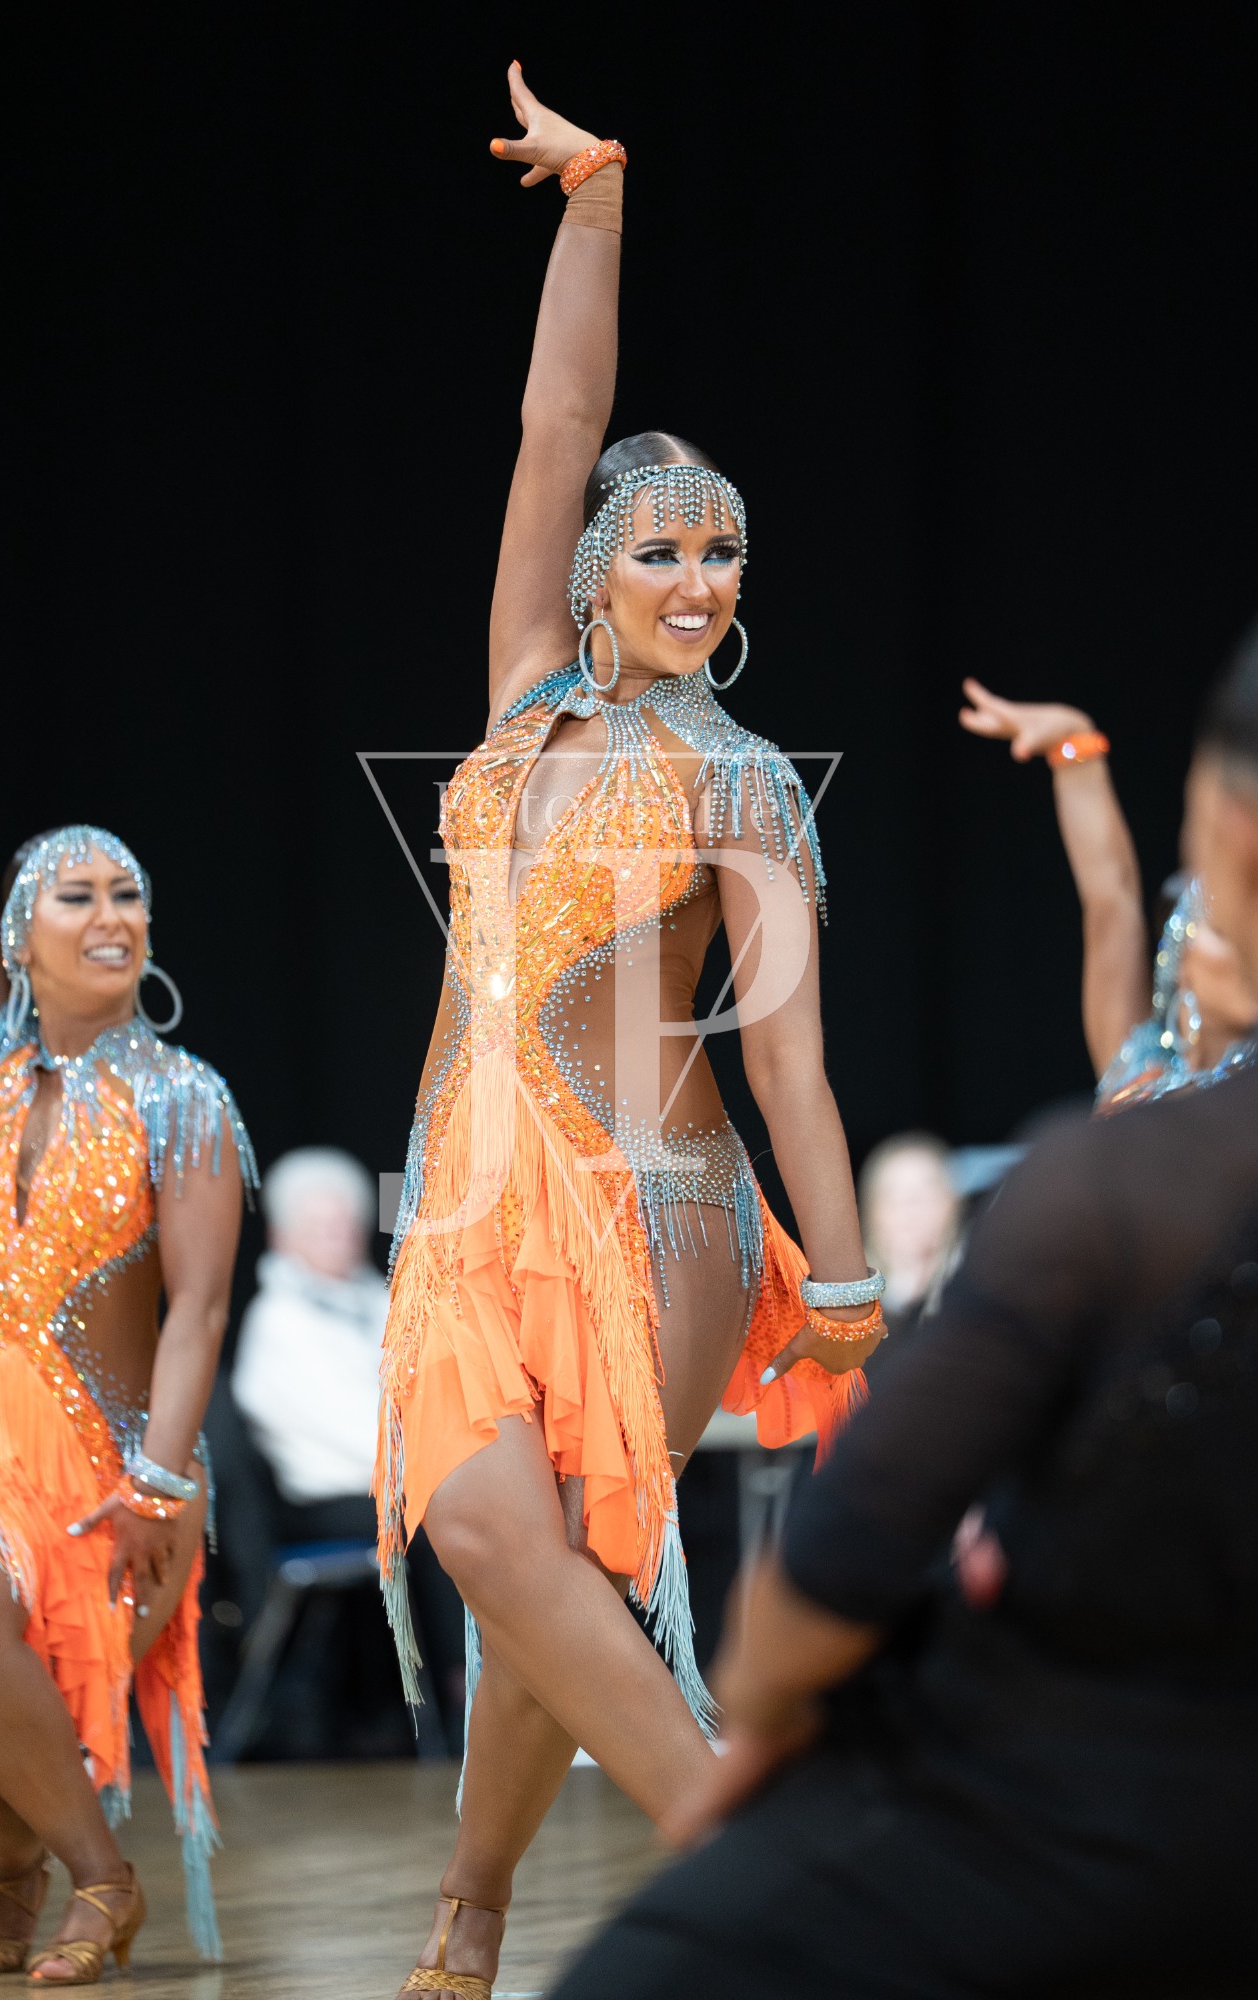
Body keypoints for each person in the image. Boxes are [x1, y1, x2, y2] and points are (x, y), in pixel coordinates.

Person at [380, 65, 884, 2000]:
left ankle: (481, 1910)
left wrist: (845, 1284)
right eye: (658, 550)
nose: (692, 580)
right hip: (461, 1211)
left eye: (717, 553)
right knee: (492, 1545)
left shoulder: (745, 780)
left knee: (566, 1575)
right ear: (591, 572)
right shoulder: (520, 684)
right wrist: (593, 201)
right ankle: (746, 1869)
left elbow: (790, 1066)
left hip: (659, 1217)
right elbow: (555, 422)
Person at [550, 635, 1258, 1998]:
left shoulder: (1114, 1181)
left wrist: (768, 1720)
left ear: (1231, 839)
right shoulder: (1139, 1076)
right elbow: (1111, 896)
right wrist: (1077, 758)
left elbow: (837, 1559)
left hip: (1098, 1760)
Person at [0, 665, 256, 1982]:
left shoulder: (186, 1094)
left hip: (118, 1458)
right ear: (18, 933)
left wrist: (161, 1481)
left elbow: (202, 1308)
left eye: (128, 894)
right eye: (79, 894)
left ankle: (47, 1869)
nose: (112, 915)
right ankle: (83, 1878)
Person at [959, 678, 1258, 1107]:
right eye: (1219, 931)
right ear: (1183, 973)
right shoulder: (1136, 1075)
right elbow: (1110, 899)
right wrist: (1072, 747)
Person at [233, 1148, 385, 1542]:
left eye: (345, 1225)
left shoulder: (378, 1301)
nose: (338, 1237)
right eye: (320, 1227)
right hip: (335, 1497)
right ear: (282, 1237)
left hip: (400, 1482)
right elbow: (339, 1425)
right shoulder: (278, 1318)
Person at [856, 1131, 960, 1355]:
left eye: (927, 1193)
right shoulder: (845, 1312)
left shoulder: (979, 1291)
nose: (910, 1210)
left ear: (953, 1203)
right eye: (892, 1195)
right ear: (871, 1211)